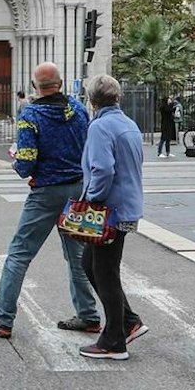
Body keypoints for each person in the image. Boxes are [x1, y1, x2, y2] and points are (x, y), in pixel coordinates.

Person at [0, 62, 103, 338]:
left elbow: (27, 164)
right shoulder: (78, 110)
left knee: (19, 254)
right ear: (62, 83)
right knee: (77, 257)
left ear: (35, 87)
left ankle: (2, 317)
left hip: (46, 192)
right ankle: (89, 315)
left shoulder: (30, 114)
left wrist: (17, 162)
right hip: (77, 190)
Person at [77, 76, 147, 360]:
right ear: (117, 97)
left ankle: (115, 340)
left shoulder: (100, 126)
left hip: (109, 210)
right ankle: (128, 321)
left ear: (91, 102)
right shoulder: (129, 124)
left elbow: (103, 169)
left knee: (105, 273)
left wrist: (92, 198)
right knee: (91, 264)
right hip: (127, 206)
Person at [156, 93, 178, 159]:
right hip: (165, 125)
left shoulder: (168, 106)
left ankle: (168, 152)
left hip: (169, 124)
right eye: (169, 99)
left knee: (168, 139)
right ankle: (159, 152)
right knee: (163, 139)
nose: (170, 100)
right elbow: (168, 110)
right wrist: (172, 105)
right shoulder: (164, 107)